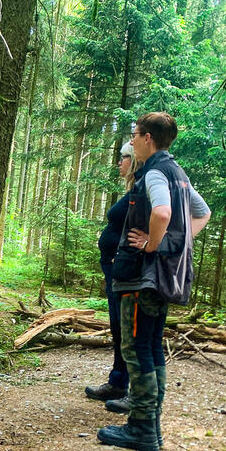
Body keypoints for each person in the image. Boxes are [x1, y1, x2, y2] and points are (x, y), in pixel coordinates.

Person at [97, 112, 211, 451]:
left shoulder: (157, 172)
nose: (132, 140)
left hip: (142, 278)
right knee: (151, 347)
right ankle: (151, 427)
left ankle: (141, 429)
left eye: (135, 134)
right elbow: (202, 212)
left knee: (136, 348)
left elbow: (161, 213)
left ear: (148, 138)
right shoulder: (178, 172)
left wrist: (153, 243)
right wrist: (175, 244)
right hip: (160, 277)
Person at [85, 142, 142, 410]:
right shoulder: (133, 188)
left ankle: (132, 390)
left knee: (127, 330)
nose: (119, 163)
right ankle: (117, 382)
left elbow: (163, 218)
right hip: (114, 269)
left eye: (123, 158)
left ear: (135, 160)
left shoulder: (148, 185)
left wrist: (150, 241)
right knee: (118, 330)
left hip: (127, 270)